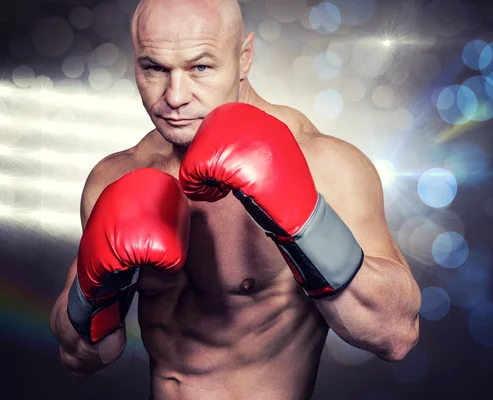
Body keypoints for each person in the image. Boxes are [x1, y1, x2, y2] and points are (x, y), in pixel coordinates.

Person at [49, 0, 422, 399]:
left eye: (200, 68)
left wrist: (306, 224)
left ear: (244, 57)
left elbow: (395, 334)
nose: (174, 96)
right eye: (154, 68)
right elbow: (81, 355)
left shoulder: (323, 164)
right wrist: (94, 293)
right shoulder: (117, 176)